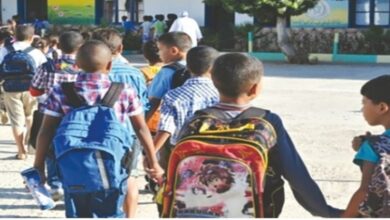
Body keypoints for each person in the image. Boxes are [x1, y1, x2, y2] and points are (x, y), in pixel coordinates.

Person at [177, 53, 342, 217]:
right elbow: (296, 174)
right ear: (254, 88)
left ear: (213, 81)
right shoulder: (267, 121)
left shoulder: (196, 121)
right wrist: (325, 211)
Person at [33, 40, 163, 217]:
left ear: (77, 65)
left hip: (72, 167)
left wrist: (38, 166)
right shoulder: (124, 91)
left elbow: (46, 131)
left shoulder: (61, 91)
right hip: (113, 164)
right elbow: (141, 128)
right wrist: (153, 162)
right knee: (110, 210)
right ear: (110, 65)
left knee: (77, 212)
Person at [92, 28, 149, 218]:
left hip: (96, 135)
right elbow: (143, 106)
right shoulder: (135, 74)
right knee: (130, 178)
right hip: (128, 135)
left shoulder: (89, 73)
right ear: (121, 47)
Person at [153, 46, 219, 170]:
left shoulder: (173, 95)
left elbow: (166, 129)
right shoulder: (221, 94)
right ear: (214, 69)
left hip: (181, 153)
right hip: (214, 152)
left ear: (187, 67)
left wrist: (151, 155)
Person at [343, 75, 390, 217]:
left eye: (364, 103)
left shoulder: (372, 146)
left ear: (382, 107)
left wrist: (346, 216)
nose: (362, 108)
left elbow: (365, 191)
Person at [0, 24, 47, 160]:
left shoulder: (4, 50)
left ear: (14, 37)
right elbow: (43, 71)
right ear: (32, 38)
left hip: (10, 89)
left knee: (16, 120)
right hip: (31, 89)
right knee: (29, 115)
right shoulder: (36, 52)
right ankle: (28, 142)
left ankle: (21, 151)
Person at [146, 32, 192, 122]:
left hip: (174, 125)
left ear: (173, 51)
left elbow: (152, 101)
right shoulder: (199, 68)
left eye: (160, 49)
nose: (158, 53)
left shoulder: (166, 72)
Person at [0, 29, 12, 125]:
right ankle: (5, 110)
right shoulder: (10, 49)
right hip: (9, 77)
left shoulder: (3, 50)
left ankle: (2, 110)